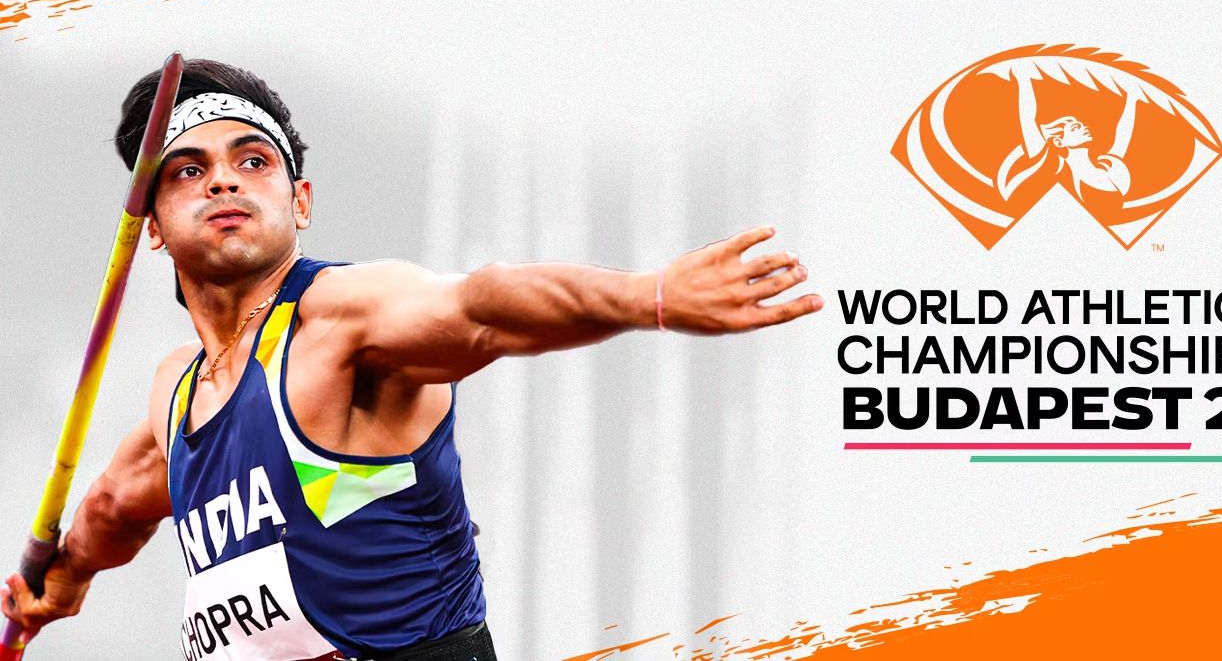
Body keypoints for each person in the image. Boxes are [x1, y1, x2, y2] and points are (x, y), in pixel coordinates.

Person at [0, 60, 822, 660]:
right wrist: (67, 575)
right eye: (190, 169)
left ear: (301, 201)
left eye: (254, 160)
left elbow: (482, 305)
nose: (224, 182)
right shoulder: (178, 390)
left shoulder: (339, 320)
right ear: (151, 226)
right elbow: (116, 502)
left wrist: (651, 294)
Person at [996, 67, 1142, 208]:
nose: (1084, 127)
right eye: (1075, 127)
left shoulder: (1107, 166)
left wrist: (1132, 98)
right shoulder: (1053, 164)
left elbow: (1122, 136)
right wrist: (1023, 79)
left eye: (1081, 125)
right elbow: (1028, 119)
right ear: (1059, 142)